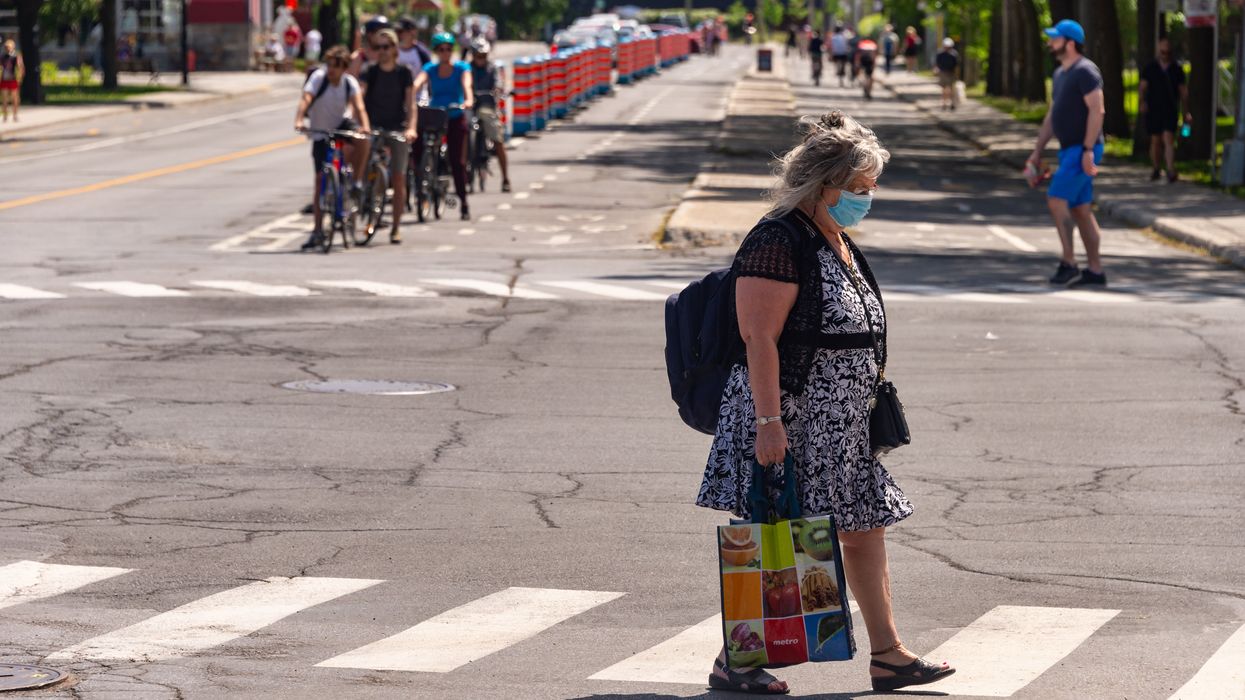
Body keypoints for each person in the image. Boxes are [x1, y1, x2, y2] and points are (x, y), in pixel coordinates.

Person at [698, 110, 956, 695]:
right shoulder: (778, 238)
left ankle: (889, 656)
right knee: (775, 535)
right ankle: (734, 662)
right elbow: (758, 337)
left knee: (863, 529)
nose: (868, 199)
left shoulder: (834, 237)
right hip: (791, 420)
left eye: (871, 188)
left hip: (842, 427)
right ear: (825, 185)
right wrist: (768, 423)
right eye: (860, 189)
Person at [1027, 19, 1107, 288]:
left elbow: (1097, 110)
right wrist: (1037, 152)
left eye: (1055, 38)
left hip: (1082, 150)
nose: (1050, 43)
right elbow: (1052, 116)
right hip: (1070, 150)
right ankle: (1095, 271)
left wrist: (1087, 150)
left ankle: (1069, 263)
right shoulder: (1061, 73)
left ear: (1070, 43)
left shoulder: (1085, 71)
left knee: (1056, 199)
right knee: (1081, 209)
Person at [294, 46, 371, 250]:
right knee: (320, 180)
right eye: (329, 65)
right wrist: (300, 119)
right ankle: (318, 231)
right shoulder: (319, 78)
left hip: (340, 125)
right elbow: (306, 98)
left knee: (363, 140)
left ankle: (356, 182)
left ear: (345, 68)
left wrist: (365, 126)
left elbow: (359, 106)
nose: (331, 70)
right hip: (320, 131)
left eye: (336, 66)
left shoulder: (349, 82)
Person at [360, 28, 418, 243]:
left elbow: (411, 104)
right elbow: (360, 96)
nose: (381, 52)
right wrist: (359, 122)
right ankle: (359, 202)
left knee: (398, 176)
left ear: (395, 49)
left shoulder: (404, 72)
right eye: (377, 47)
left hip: (397, 128)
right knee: (360, 168)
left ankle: (395, 227)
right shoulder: (370, 71)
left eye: (386, 47)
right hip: (373, 126)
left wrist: (411, 128)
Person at [413, 32, 475, 220]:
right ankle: (421, 177)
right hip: (435, 114)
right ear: (436, 51)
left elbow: (467, 85)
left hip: (454, 114)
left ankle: (463, 203)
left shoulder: (461, 67)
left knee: (457, 161)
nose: (445, 53)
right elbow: (418, 83)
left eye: (449, 49)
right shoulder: (430, 68)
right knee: (417, 144)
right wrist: (410, 95)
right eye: (441, 49)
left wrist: (468, 100)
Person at [1139, 38, 1191, 184]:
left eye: (1168, 52)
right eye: (1163, 52)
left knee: (1168, 138)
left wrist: (1186, 111)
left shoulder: (1176, 69)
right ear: (1158, 51)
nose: (1165, 55)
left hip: (1170, 108)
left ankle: (1170, 170)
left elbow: (1183, 92)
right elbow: (1142, 87)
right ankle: (1156, 168)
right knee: (1155, 140)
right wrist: (1142, 102)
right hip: (1154, 109)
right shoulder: (1150, 68)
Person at [469, 40, 511, 192]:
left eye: (484, 56)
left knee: (498, 140)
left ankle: (505, 178)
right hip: (471, 108)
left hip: (488, 107)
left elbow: (498, 83)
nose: (481, 59)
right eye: (478, 56)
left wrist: (497, 90)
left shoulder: (492, 68)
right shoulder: (467, 69)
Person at [1, 40, 22, 123]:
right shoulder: (2, 56)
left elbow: (20, 67)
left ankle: (15, 115)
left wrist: (19, 77)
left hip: (13, 79)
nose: (7, 49)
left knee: (14, 98)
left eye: (9, 47)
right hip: (4, 79)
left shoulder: (16, 56)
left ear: (13, 47)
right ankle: (5, 115)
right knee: (4, 99)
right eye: (6, 47)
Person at [934, 38, 959, 111]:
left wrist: (956, 75)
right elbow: (937, 64)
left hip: (951, 73)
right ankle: (944, 103)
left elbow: (956, 65)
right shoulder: (940, 54)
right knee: (944, 89)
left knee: (951, 89)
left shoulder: (954, 54)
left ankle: (952, 103)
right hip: (943, 73)